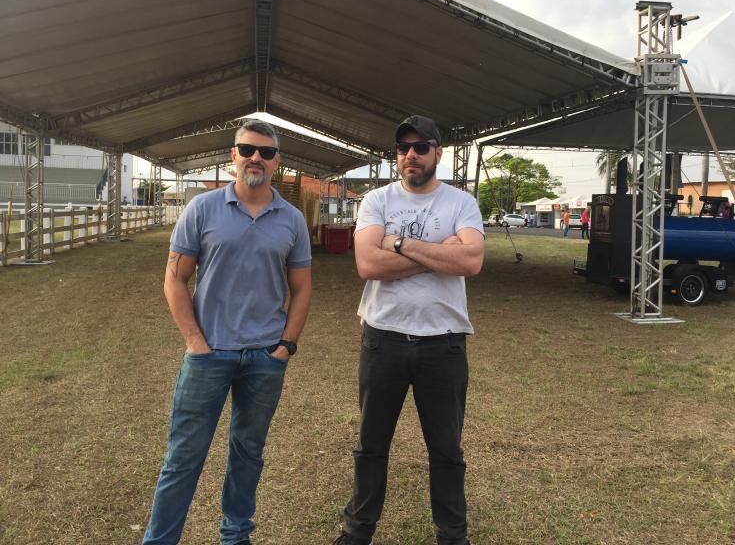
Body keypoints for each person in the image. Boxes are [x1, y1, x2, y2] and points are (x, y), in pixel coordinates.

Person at [142, 119, 312, 545]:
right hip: (209, 355)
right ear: (233, 155)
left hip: (264, 358)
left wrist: (285, 346)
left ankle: (235, 536)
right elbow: (174, 279)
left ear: (277, 162)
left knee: (248, 455)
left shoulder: (291, 219)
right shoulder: (202, 209)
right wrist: (195, 343)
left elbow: (303, 288)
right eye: (248, 149)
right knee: (183, 458)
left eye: (266, 152)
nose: (257, 157)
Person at [335, 115, 485, 545]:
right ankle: (357, 532)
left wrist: (399, 244)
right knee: (370, 445)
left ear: (439, 152)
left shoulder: (461, 203)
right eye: (403, 148)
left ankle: (453, 536)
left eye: (421, 147)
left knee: (446, 451)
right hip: (383, 339)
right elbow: (368, 265)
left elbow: (472, 262)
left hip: (444, 344)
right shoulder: (376, 201)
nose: (411, 155)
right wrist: (442, 252)